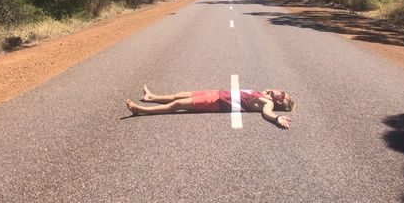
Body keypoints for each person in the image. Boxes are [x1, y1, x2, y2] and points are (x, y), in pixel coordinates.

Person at [126, 85, 295, 129]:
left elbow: (267, 113)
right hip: (216, 93)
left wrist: (277, 117)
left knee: (177, 105)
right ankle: (151, 97)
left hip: (217, 103)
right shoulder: (265, 94)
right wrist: (268, 91)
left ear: (279, 102)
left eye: (283, 93)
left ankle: (140, 110)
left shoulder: (269, 103)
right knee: (180, 95)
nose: (280, 90)